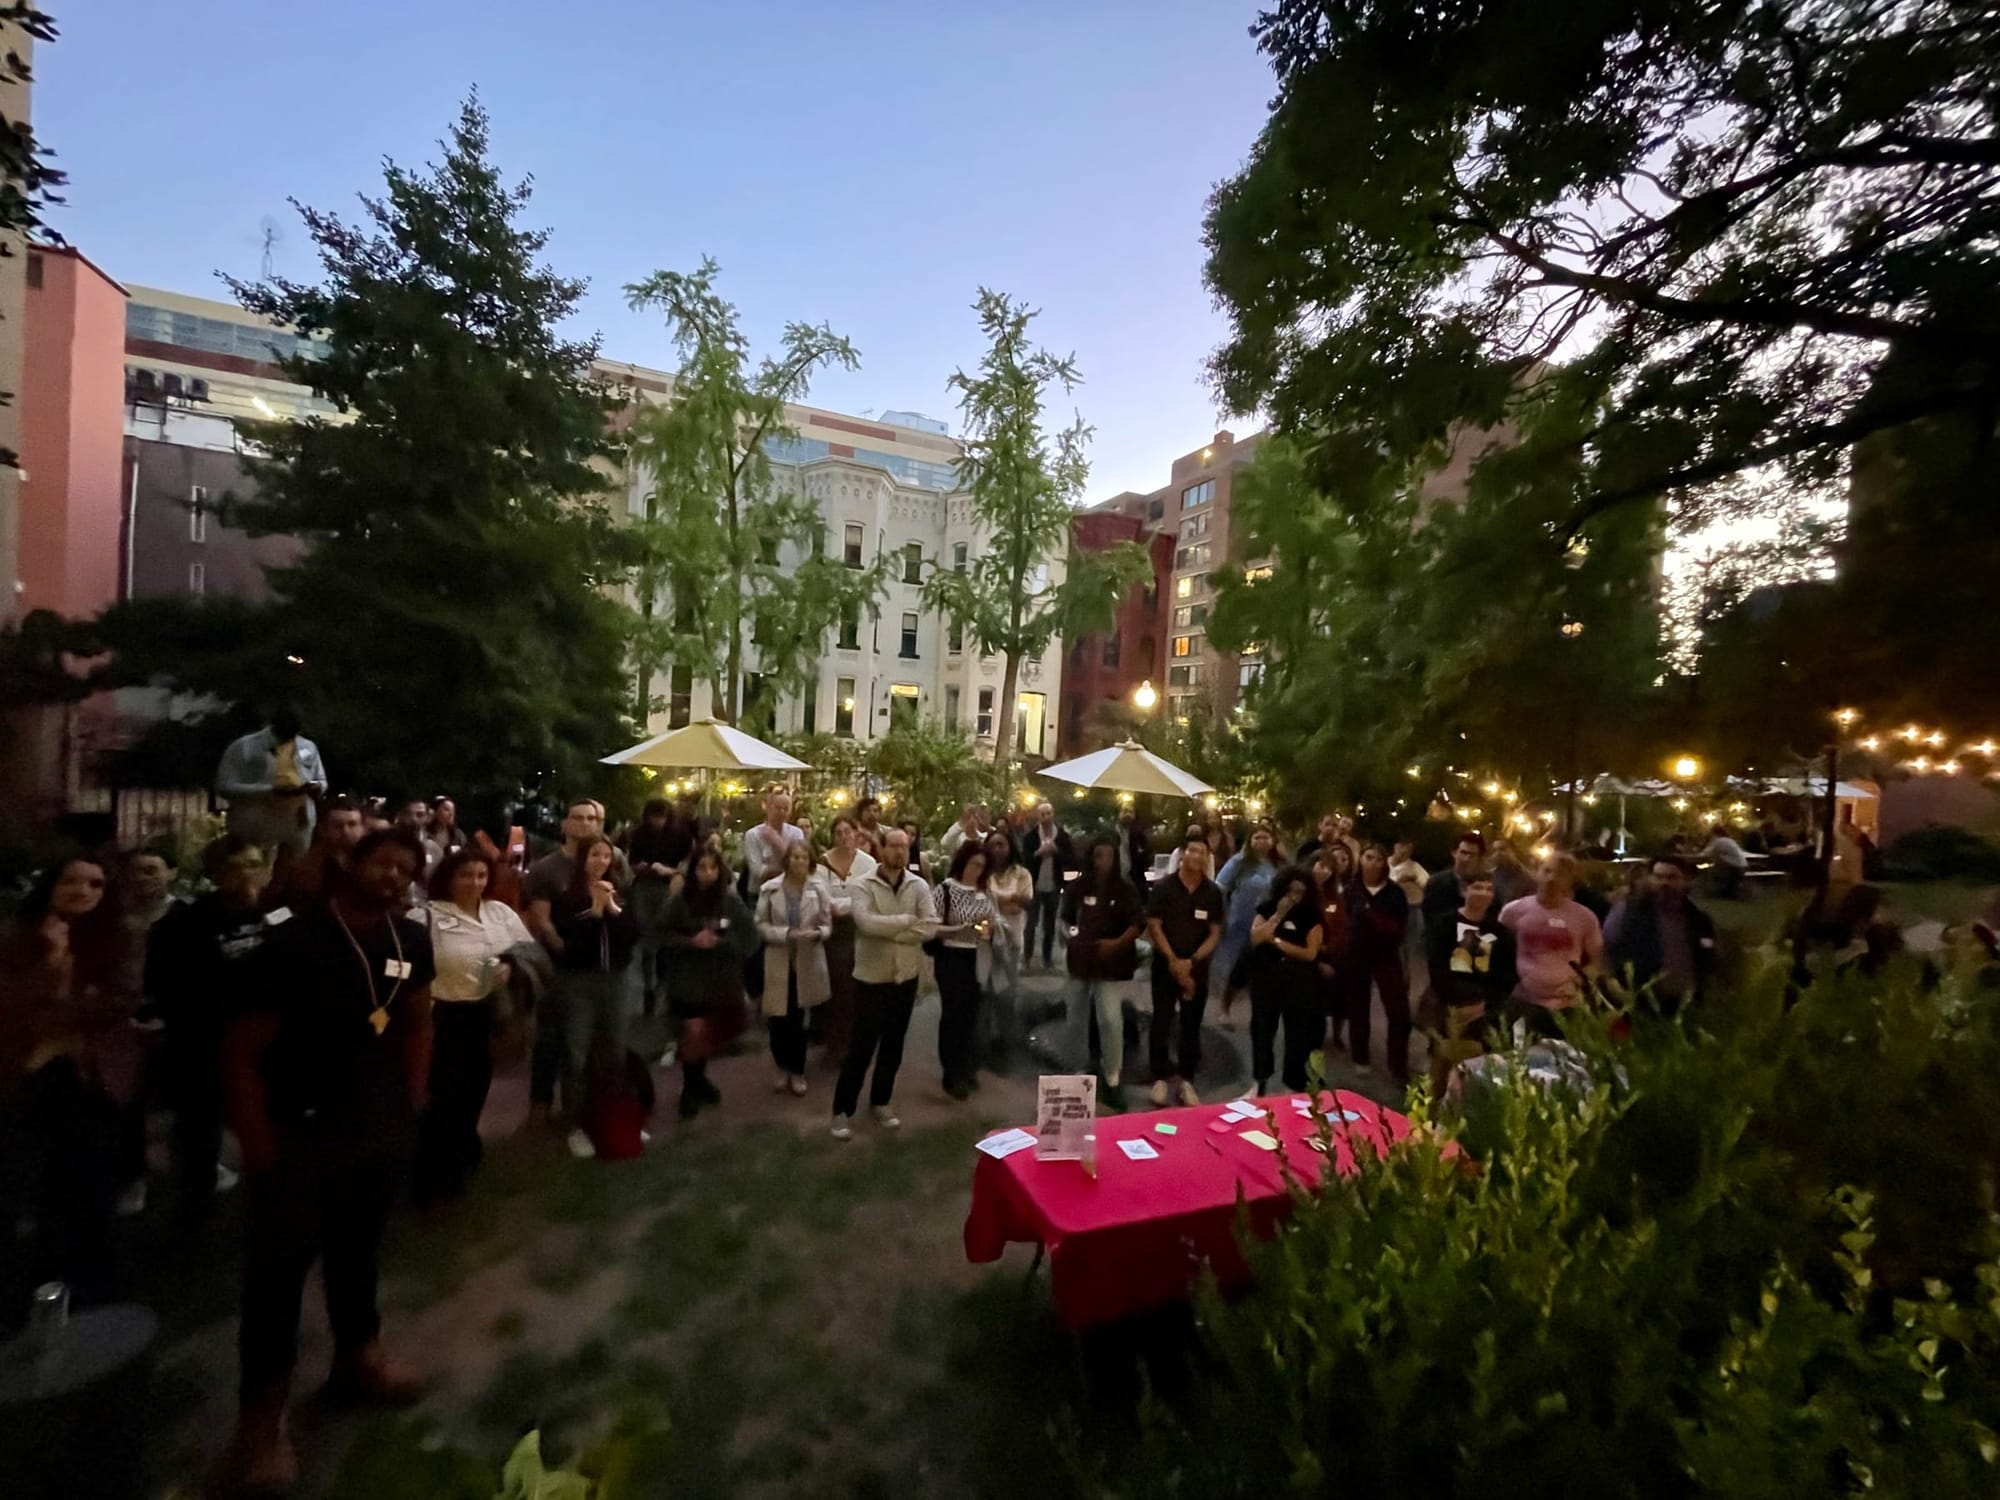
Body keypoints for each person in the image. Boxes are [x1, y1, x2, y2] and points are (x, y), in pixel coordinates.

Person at [215, 830, 433, 1492]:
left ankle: (357, 1360)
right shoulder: (295, 942)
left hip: (375, 1131)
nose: (393, 876)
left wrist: (411, 1107)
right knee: (276, 1281)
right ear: (350, 866)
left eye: (406, 868)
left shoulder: (410, 941)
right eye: (382, 863)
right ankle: (261, 1427)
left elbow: (420, 1022)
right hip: (298, 1134)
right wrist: (257, 1143)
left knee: (358, 1255)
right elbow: (242, 1051)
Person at [0, 855, 136, 1300]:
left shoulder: (113, 939)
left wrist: (55, 1013)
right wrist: (55, 964)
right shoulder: (19, 938)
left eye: (95, 884)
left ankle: (90, 1290)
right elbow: (12, 1010)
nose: (83, 891)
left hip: (91, 1081)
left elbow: (119, 1000)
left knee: (89, 1191)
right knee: (27, 1191)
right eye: (72, 881)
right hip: (27, 1079)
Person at [144, 836, 276, 1222]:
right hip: (206, 1041)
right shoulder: (187, 922)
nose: (247, 874)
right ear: (217, 874)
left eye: (254, 863)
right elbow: (166, 982)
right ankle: (195, 1202)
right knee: (200, 1125)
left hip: (263, 1038)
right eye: (237, 866)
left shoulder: (276, 914)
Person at [408, 847, 532, 1203]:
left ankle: (463, 1149)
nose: (474, 882)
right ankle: (433, 1177)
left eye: (480, 875)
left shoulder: (499, 913)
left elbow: (529, 950)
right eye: (466, 875)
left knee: (475, 1088)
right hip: (442, 1015)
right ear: (448, 877)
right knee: (442, 1096)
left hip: (487, 1013)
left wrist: (511, 964)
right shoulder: (425, 917)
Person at [523, 799, 633, 1124]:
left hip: (611, 971)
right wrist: (565, 952)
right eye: (580, 818)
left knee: (611, 1045)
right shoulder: (547, 869)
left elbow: (629, 917)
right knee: (561, 1043)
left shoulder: (615, 863)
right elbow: (544, 921)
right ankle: (547, 1107)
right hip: (565, 970)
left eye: (594, 818)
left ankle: (608, 1115)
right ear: (565, 824)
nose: (587, 824)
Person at [832, 829, 935, 1139]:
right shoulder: (863, 885)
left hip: (904, 976)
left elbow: (929, 927)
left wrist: (892, 930)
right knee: (861, 1047)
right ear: (883, 848)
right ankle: (842, 1109)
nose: (900, 852)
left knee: (893, 1045)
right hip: (870, 978)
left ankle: (881, 1101)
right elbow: (864, 923)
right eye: (894, 846)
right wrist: (906, 922)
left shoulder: (918, 885)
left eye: (905, 846)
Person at [548, 836, 642, 1158]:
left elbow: (632, 938)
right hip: (579, 983)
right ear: (582, 860)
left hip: (615, 980)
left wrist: (613, 910)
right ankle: (574, 1123)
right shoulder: (567, 898)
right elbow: (569, 945)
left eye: (606, 856)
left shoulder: (621, 893)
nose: (600, 861)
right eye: (594, 855)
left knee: (615, 1049)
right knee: (577, 1053)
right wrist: (594, 913)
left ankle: (615, 1115)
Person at [661, 848, 757, 1119]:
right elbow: (659, 934)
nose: (707, 873)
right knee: (693, 1033)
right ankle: (689, 1089)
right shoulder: (679, 902)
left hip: (720, 981)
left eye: (712, 868)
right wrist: (690, 942)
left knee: (708, 1036)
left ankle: (699, 1081)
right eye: (701, 867)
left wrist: (723, 943)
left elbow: (750, 936)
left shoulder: (730, 902)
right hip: (687, 980)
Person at [1145, 829, 1224, 1106]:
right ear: (1182, 855)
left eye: (1201, 851)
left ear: (1206, 858)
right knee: (1162, 1020)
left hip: (1196, 968)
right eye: (1191, 850)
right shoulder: (1164, 887)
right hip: (1165, 963)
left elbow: (1215, 932)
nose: (1195, 855)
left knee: (1191, 1024)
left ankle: (1187, 1080)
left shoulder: (1213, 893)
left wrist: (1191, 963)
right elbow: (1154, 926)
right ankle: (1159, 1077)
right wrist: (1174, 961)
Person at [1061, 835, 1146, 1089]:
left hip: (1110, 961)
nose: (1103, 861)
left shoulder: (1124, 888)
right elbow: (1065, 919)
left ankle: (1112, 1073)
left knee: (1109, 1018)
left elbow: (1138, 924)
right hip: (1080, 958)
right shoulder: (1079, 886)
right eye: (1098, 855)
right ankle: (1077, 1067)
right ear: (1091, 857)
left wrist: (1117, 944)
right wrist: (1070, 937)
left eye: (1109, 856)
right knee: (1074, 1014)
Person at [1423, 872, 1516, 1096]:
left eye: (1488, 889)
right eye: (1477, 887)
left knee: (1472, 1066)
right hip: (1448, 1004)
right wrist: (1452, 1004)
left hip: (1482, 1008)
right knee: (1441, 1062)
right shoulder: (1445, 923)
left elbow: (1506, 975)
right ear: (1465, 891)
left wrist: (1484, 1005)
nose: (1483, 893)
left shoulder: (1501, 934)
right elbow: (1436, 964)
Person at [755, 841, 832, 1097]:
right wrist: (785, 933)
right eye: (795, 857)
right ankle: (781, 1067)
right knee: (778, 1018)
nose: (799, 862)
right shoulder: (770, 888)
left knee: (800, 1019)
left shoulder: (818, 889)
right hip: (779, 958)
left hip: (807, 959)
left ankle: (798, 1070)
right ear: (787, 860)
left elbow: (827, 923)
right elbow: (761, 924)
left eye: (804, 857)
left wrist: (817, 933)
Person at [1499, 852, 1605, 1030]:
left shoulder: (1585, 917)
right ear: (1537, 872)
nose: (1551, 878)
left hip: (1566, 1006)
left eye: (1560, 874)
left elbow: (1597, 962)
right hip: (1521, 1002)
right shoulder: (1513, 911)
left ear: (1570, 880)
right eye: (1547, 871)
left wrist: (1578, 982)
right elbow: (1498, 954)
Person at [1604, 856, 1719, 1014]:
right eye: (1658, 877)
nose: (1664, 883)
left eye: (1672, 877)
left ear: (1686, 880)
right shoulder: (1627, 913)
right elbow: (1605, 947)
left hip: (1686, 1005)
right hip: (1640, 1003)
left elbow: (1708, 959)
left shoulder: (1699, 919)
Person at [215, 707, 329, 861]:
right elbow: (224, 786)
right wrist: (269, 791)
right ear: (273, 724)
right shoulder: (244, 747)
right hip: (256, 824)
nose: (290, 736)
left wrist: (317, 787)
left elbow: (321, 779)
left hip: (298, 823)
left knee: (295, 874)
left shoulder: (308, 747)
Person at [1248, 864, 1324, 1093]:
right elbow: (1256, 937)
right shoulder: (1267, 908)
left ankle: (1294, 1083)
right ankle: (1259, 1081)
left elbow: (1310, 953)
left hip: (1298, 981)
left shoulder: (1312, 915)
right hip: (1266, 977)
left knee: (1297, 1033)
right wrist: (1278, 915)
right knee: (1261, 1029)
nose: (1294, 897)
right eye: (1291, 891)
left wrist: (1277, 943)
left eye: (1300, 892)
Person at [933, 841, 997, 1100]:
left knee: (971, 1015)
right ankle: (950, 1072)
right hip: (951, 955)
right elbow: (932, 925)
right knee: (952, 1014)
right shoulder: (945, 890)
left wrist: (989, 929)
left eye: (982, 866)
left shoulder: (985, 892)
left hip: (978, 956)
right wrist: (960, 929)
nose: (977, 870)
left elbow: (993, 921)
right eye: (974, 864)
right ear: (963, 862)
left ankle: (966, 1066)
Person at [1348, 845, 1414, 1083]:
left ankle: (1398, 1065)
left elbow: (1399, 928)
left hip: (1387, 956)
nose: (1373, 863)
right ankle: (1360, 1056)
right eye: (1368, 857)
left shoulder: (1394, 893)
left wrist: (1371, 916)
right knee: (1358, 1009)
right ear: (1361, 860)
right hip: (1357, 956)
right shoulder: (1351, 890)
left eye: (1378, 858)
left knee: (1399, 1012)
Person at [816, 815, 878, 1065]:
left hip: (859, 929)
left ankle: (856, 1044)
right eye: (838, 832)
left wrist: (848, 907)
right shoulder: (822, 863)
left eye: (848, 831)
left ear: (856, 834)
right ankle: (835, 1044)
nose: (843, 836)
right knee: (837, 988)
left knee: (857, 990)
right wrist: (838, 906)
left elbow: (871, 895)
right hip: (832, 932)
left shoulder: (867, 863)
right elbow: (818, 893)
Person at [624, 797, 692, 1017]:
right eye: (654, 817)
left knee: (666, 937)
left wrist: (670, 871)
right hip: (645, 885)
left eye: (661, 817)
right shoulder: (639, 834)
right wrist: (641, 867)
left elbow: (687, 863)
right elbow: (632, 861)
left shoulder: (680, 834)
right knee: (647, 938)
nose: (657, 822)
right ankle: (649, 988)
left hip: (668, 886)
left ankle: (664, 986)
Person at [1215, 822, 1281, 1014]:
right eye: (1257, 837)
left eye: (1265, 837)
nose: (1261, 841)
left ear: (1273, 840)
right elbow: (1220, 887)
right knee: (1236, 969)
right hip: (1239, 922)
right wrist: (1221, 915)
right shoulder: (1239, 861)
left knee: (1261, 969)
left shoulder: (1276, 864)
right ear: (1250, 840)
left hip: (1265, 924)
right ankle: (1224, 1006)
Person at [982, 830, 1032, 1055]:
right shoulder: (982, 873)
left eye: (1001, 844)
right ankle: (983, 1040)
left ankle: (1004, 1041)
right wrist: (1009, 899)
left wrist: (996, 900)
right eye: (992, 845)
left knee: (1007, 993)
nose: (997, 849)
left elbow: (1023, 903)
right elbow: (981, 904)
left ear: (1010, 846)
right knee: (985, 991)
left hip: (1012, 940)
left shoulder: (1022, 874)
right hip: (985, 940)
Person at [271, 794, 366, 909]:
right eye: (337, 826)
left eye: (352, 824)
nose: (345, 831)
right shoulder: (306, 870)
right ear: (322, 829)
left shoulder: (369, 862)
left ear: (362, 828)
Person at [1023, 801, 1077, 970]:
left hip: (1053, 885)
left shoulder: (1062, 836)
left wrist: (1056, 852)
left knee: (1049, 924)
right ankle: (1026, 957)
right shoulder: (1031, 836)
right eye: (1042, 814)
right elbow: (1025, 860)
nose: (1045, 817)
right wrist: (1038, 853)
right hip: (1034, 885)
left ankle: (1047, 958)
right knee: (1031, 923)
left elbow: (1071, 859)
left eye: (1048, 813)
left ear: (1053, 814)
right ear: (1037, 816)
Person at [742, 790, 805, 890]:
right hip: (760, 891)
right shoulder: (753, 834)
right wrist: (785, 869)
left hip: (789, 890)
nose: (781, 812)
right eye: (778, 808)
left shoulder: (796, 833)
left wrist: (777, 841)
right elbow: (757, 871)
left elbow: (800, 864)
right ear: (767, 808)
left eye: (786, 809)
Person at [1421, 831, 1487, 919]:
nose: (1467, 859)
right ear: (1454, 853)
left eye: (1472, 855)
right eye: (1463, 853)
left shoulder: (1486, 886)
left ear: (1479, 858)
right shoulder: (1437, 883)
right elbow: (1430, 916)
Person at [394, 799, 445, 881]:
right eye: (408, 814)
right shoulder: (390, 846)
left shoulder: (435, 849)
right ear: (401, 815)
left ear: (428, 818)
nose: (413, 819)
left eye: (420, 814)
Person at [1698, 824, 1749, 899]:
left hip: (1734, 868)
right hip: (1743, 865)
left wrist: (1694, 854)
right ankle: (1726, 892)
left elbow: (1706, 853)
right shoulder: (1730, 840)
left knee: (1709, 871)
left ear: (1714, 833)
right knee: (1716, 868)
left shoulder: (1718, 841)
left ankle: (1710, 891)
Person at [1115, 802, 1153, 887]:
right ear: (1118, 814)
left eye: (1131, 812)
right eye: (1125, 811)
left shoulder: (1139, 836)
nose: (1128, 814)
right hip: (1115, 878)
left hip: (1134, 880)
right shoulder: (1112, 833)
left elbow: (1147, 855)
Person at [1490, 840, 1535, 907]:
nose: (1498, 853)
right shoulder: (1490, 876)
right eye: (1494, 851)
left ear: (1513, 851)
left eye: (1502, 849)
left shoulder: (1527, 879)